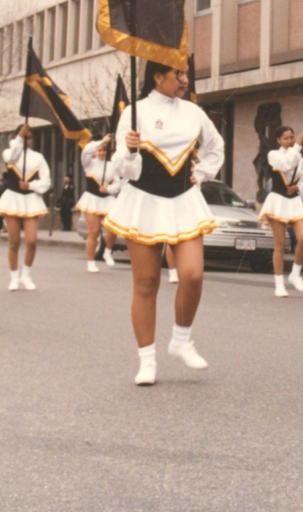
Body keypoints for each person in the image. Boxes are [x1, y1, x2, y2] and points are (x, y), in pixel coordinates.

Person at [104, 60, 224, 386]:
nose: (185, 79)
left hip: (184, 200)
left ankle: (181, 339)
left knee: (193, 274)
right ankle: (146, 360)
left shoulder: (193, 112)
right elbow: (122, 170)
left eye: (185, 73)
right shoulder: (134, 112)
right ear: (158, 76)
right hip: (144, 200)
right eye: (178, 74)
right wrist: (128, 152)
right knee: (146, 283)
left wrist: (200, 173)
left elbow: (216, 148)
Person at [0, 125, 52, 291]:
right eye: (24, 137)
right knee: (13, 242)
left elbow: (46, 181)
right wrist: (19, 138)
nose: (27, 141)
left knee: (32, 241)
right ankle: (14, 276)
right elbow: (13, 155)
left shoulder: (38, 157)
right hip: (12, 198)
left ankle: (26, 275)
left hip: (30, 199)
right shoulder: (9, 152)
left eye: (29, 138)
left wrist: (31, 185)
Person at [259, 124, 303, 296]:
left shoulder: (300, 159)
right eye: (286, 138)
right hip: (277, 201)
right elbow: (286, 164)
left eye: (291, 137)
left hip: (294, 201)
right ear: (278, 140)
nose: (289, 141)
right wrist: (299, 143)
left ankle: (295, 274)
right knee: (280, 245)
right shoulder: (273, 155)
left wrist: (297, 188)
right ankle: (279, 283)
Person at [77, 133, 117, 272]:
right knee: (93, 232)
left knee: (113, 226)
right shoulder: (89, 163)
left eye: (104, 150)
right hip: (92, 199)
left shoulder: (112, 166)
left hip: (108, 199)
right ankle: (91, 262)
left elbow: (119, 183)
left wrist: (109, 189)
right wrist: (101, 141)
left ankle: (107, 251)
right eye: (99, 150)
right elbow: (85, 151)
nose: (101, 152)